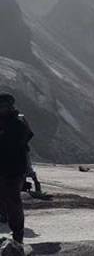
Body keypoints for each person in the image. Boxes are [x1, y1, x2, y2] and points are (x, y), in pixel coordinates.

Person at [0, 93, 34, 244]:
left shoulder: (18, 122)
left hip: (13, 169)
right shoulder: (16, 120)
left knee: (13, 201)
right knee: (10, 201)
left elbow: (23, 143)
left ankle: (18, 237)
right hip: (10, 167)